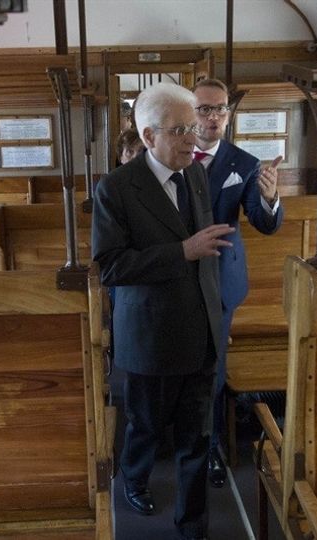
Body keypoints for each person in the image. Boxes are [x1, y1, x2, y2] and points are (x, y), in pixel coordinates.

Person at [92, 81, 234, 540]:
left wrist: (218, 316)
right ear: (149, 136)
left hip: (201, 332)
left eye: (194, 126)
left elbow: (207, 252)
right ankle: (133, 480)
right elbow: (111, 266)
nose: (193, 138)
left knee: (196, 438)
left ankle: (194, 525)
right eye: (180, 130)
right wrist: (181, 251)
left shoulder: (194, 174)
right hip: (151, 335)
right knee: (146, 429)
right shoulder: (115, 188)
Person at [191, 78, 284, 487]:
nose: (213, 117)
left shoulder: (244, 164)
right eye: (204, 108)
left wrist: (269, 198)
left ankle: (210, 447)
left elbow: (263, 224)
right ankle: (176, 438)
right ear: (189, 111)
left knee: (213, 368)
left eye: (220, 109)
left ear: (229, 114)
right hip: (177, 279)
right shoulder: (169, 156)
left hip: (221, 281)